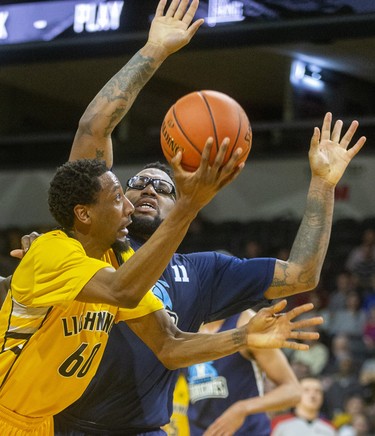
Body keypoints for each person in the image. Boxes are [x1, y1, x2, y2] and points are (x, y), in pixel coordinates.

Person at [0, 2, 324, 435]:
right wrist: (154, 50)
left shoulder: (161, 266)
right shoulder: (67, 250)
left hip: (68, 424)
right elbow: (93, 133)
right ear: (87, 212)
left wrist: (243, 338)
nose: (141, 196)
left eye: (166, 188)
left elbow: (169, 345)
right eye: (126, 190)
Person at [185, 309, 302, 436]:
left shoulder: (246, 322)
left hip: (248, 431)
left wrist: (242, 408)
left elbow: (294, 391)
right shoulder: (184, 328)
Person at [271, 377, 337, 436]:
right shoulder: (279, 423)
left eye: (317, 391)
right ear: (296, 395)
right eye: (306, 390)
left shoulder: (329, 427)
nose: (312, 395)